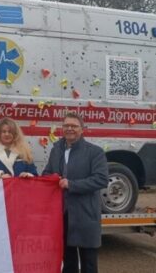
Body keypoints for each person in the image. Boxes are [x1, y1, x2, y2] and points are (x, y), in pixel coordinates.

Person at [43, 113, 108, 273]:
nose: (69, 129)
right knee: (69, 262)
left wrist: (71, 184)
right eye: (66, 126)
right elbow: (47, 173)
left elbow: (101, 179)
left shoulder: (95, 152)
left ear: (82, 129)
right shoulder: (56, 150)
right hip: (63, 215)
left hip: (85, 214)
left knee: (89, 264)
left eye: (74, 126)